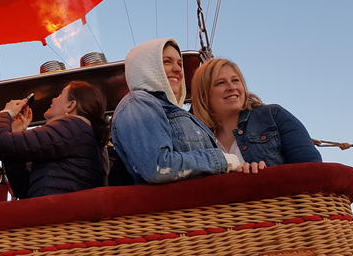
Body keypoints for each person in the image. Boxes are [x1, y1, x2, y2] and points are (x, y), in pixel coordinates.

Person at [111, 38, 259, 185]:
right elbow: (158, 166)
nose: (178, 69)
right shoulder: (138, 103)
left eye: (179, 63)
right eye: (166, 61)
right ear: (146, 66)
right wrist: (224, 159)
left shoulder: (173, 111)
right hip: (177, 207)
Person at [0, 80, 108, 198]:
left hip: (60, 214)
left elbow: (1, 143)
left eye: (60, 94)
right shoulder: (76, 132)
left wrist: (6, 113)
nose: (53, 99)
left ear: (71, 105)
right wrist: (15, 134)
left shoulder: (71, 127)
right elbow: (24, 190)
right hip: (59, 212)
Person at [190, 57, 322, 166]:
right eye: (220, 83)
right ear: (204, 94)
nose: (232, 87)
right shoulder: (194, 138)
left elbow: (312, 169)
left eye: (236, 80)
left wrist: (265, 177)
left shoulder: (273, 116)